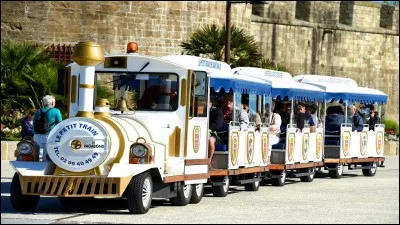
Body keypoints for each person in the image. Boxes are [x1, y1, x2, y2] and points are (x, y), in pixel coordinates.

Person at [33, 95, 63, 161]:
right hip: (49, 136)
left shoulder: (38, 111)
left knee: (37, 155)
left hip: (37, 136)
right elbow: (60, 124)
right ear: (52, 103)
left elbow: (34, 123)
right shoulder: (56, 111)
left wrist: (35, 133)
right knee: (47, 157)